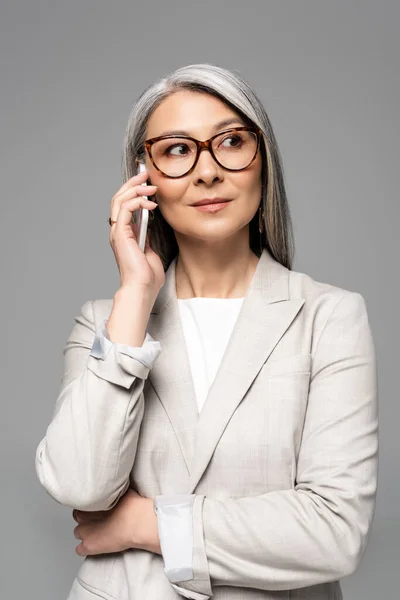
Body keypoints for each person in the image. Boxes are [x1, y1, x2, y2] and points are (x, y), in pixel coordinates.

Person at [35, 63, 378, 600]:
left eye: (231, 142)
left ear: (262, 162)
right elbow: (80, 484)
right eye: (176, 150)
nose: (207, 172)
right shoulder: (106, 320)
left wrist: (146, 526)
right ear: (142, 176)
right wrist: (134, 296)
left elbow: (334, 533)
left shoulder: (329, 317)